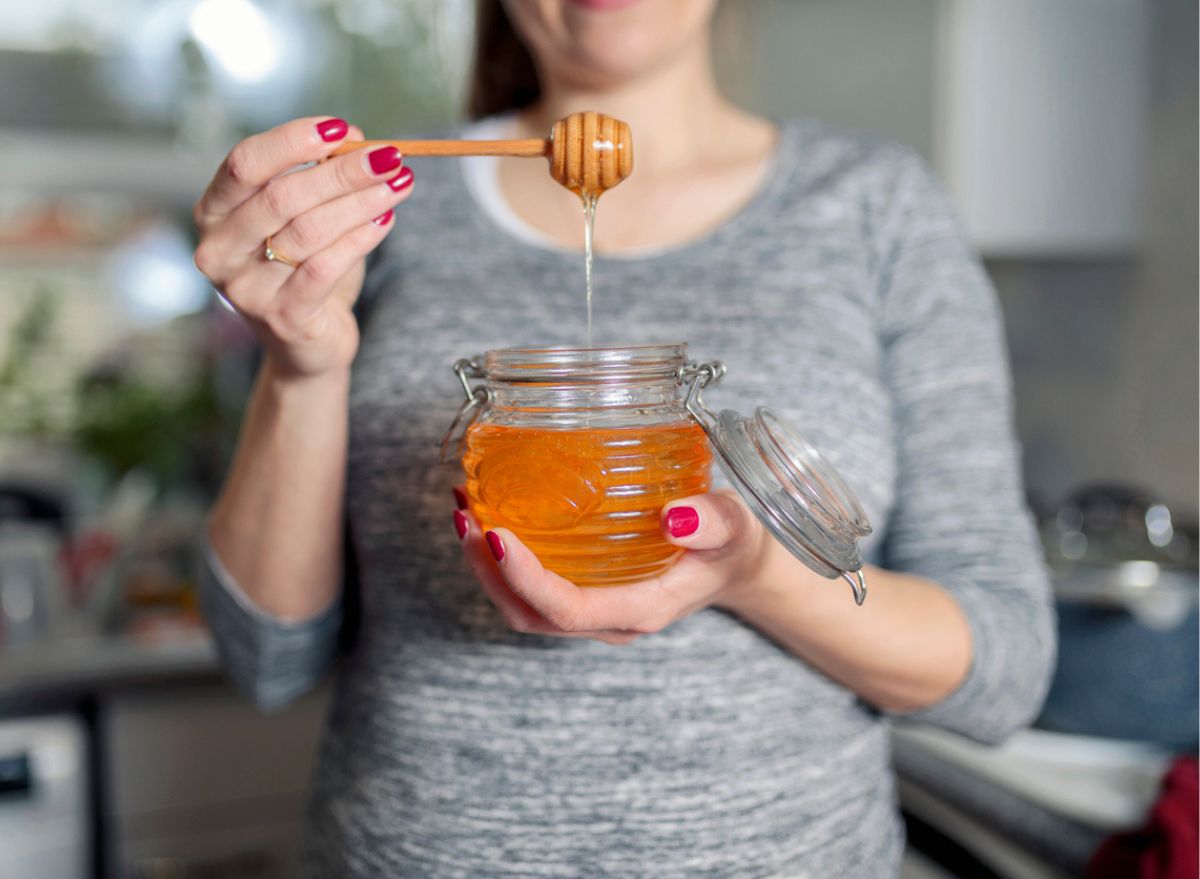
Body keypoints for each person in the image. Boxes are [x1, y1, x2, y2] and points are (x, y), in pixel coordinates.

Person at [191, 0, 1056, 874]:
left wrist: (757, 577)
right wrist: (302, 368)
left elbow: (1005, 666)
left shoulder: (877, 206)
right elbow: (267, 661)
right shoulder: (376, 210)